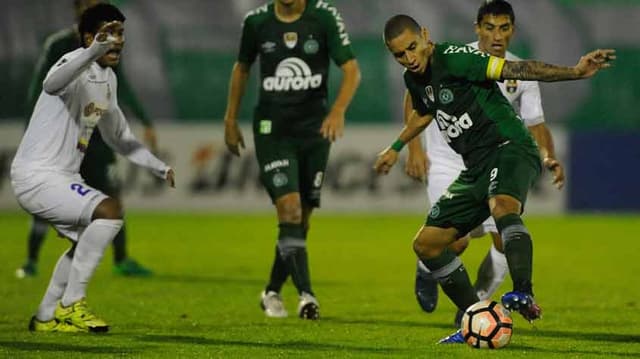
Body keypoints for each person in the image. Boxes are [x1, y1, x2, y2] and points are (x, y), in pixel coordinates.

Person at [375, 14, 614, 343]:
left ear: (426, 35)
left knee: (501, 205)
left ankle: (523, 293)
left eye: (413, 47)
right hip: (474, 166)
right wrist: (397, 146)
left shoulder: (455, 57)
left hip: (509, 147)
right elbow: (425, 111)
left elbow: (519, 69)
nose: (409, 58)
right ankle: (476, 319)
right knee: (427, 245)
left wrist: (575, 72)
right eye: (399, 54)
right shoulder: (414, 78)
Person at [11, 3, 175, 332]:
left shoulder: (107, 81)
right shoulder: (70, 61)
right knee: (109, 211)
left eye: (120, 34)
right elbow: (50, 85)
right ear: (88, 38)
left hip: (61, 177)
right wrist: (90, 51)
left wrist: (157, 166)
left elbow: (119, 137)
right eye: (107, 34)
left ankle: (46, 316)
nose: (117, 41)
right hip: (38, 175)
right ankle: (72, 305)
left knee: (86, 235)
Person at [408, 0, 565, 327]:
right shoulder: (451, 57)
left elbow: (535, 123)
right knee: (457, 241)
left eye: (504, 28)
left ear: (513, 30)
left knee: (501, 232)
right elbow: (416, 95)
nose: (497, 35)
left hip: (493, 157)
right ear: (477, 28)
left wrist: (548, 156)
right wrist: (412, 149)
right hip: (448, 160)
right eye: (490, 27)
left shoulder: (519, 72)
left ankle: (478, 305)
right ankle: (427, 270)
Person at [223, 0, 360, 319]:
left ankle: (271, 290)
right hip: (273, 131)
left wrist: (338, 110)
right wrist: (231, 119)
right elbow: (242, 67)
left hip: (315, 131)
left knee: (301, 220)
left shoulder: (323, 16)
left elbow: (351, 69)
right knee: (289, 208)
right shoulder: (256, 22)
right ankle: (307, 296)